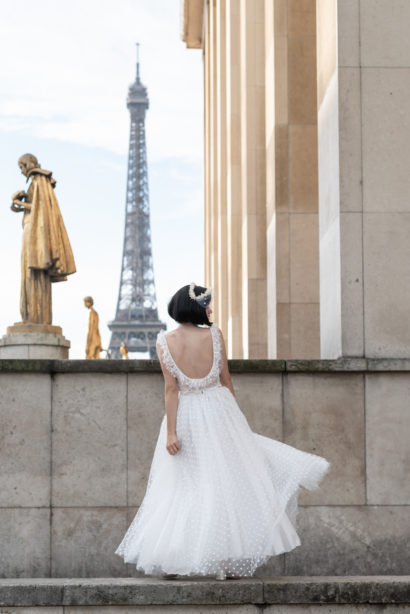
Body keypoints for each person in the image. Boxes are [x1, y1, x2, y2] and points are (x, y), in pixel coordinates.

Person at [115, 282, 331, 580]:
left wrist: (171, 433)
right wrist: (236, 419)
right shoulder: (214, 335)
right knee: (227, 482)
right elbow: (226, 380)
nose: (211, 309)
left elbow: (171, 390)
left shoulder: (164, 341)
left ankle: (172, 560)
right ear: (196, 307)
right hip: (219, 410)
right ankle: (228, 562)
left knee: (183, 485)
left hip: (186, 416)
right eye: (207, 304)